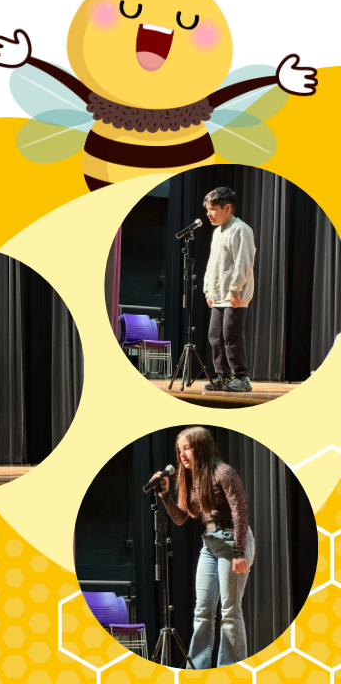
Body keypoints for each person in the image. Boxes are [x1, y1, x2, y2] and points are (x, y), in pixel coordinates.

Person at [152, 427, 254, 669]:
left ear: (201, 447)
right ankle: (197, 669)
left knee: (229, 611)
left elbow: (240, 513)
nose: (183, 455)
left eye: (187, 448)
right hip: (209, 544)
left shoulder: (224, 472)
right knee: (202, 611)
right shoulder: (191, 478)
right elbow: (181, 518)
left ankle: (229, 668)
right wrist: (165, 495)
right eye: (180, 450)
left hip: (233, 541)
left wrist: (239, 552)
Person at [201, 187, 256, 393]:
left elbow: (244, 262)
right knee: (215, 337)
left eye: (213, 209)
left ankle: (241, 378)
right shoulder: (217, 232)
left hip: (234, 296)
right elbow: (212, 264)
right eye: (207, 209)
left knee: (231, 337)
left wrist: (235, 291)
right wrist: (208, 290)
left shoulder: (241, 230)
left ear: (227, 207)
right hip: (218, 295)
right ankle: (223, 377)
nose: (209, 214)